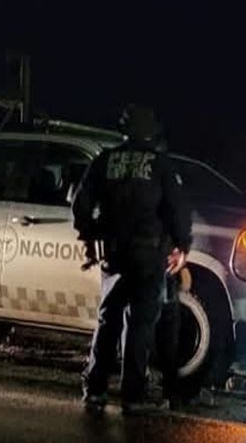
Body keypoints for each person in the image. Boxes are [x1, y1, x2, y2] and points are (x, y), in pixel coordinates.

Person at [73, 104, 192, 414]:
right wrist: (182, 245)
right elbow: (178, 209)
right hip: (149, 254)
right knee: (140, 324)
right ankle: (133, 396)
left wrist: (90, 233)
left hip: (113, 252)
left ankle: (95, 389)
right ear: (151, 131)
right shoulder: (160, 165)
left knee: (107, 318)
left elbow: (80, 202)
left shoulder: (105, 160)